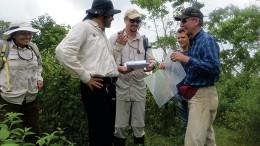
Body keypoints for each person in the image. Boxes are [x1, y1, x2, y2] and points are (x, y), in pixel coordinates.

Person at [55, 0, 127, 145]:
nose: (113, 18)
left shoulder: (101, 32)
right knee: (99, 132)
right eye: (111, 15)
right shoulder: (84, 27)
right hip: (96, 85)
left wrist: (119, 45)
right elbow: (62, 51)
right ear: (102, 14)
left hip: (109, 87)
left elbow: (105, 60)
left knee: (107, 131)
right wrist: (85, 77)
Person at [173, 7, 220, 146]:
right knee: (207, 141)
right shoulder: (193, 42)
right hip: (197, 96)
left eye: (184, 20)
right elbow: (193, 69)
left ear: (195, 21)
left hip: (203, 96)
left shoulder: (206, 40)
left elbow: (214, 68)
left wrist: (187, 59)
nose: (181, 24)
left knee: (193, 142)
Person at [109, 8, 156, 146]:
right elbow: (107, 61)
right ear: (125, 21)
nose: (135, 23)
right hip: (121, 87)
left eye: (137, 21)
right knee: (120, 126)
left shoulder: (144, 40)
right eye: (132, 20)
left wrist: (151, 65)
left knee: (139, 125)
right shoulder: (114, 38)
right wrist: (119, 68)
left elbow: (152, 60)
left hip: (139, 87)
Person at [0, 21, 43, 144]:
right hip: (8, 98)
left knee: (33, 132)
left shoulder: (33, 48)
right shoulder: (4, 47)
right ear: (13, 35)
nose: (28, 36)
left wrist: (39, 79)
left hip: (31, 97)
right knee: (8, 134)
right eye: (23, 33)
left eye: (29, 33)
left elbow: (38, 66)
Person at [159, 27, 189, 140]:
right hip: (178, 93)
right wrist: (163, 66)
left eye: (183, 37)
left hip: (192, 93)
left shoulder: (193, 53)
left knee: (196, 124)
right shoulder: (174, 55)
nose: (180, 40)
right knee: (183, 123)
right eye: (178, 38)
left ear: (188, 37)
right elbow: (169, 72)